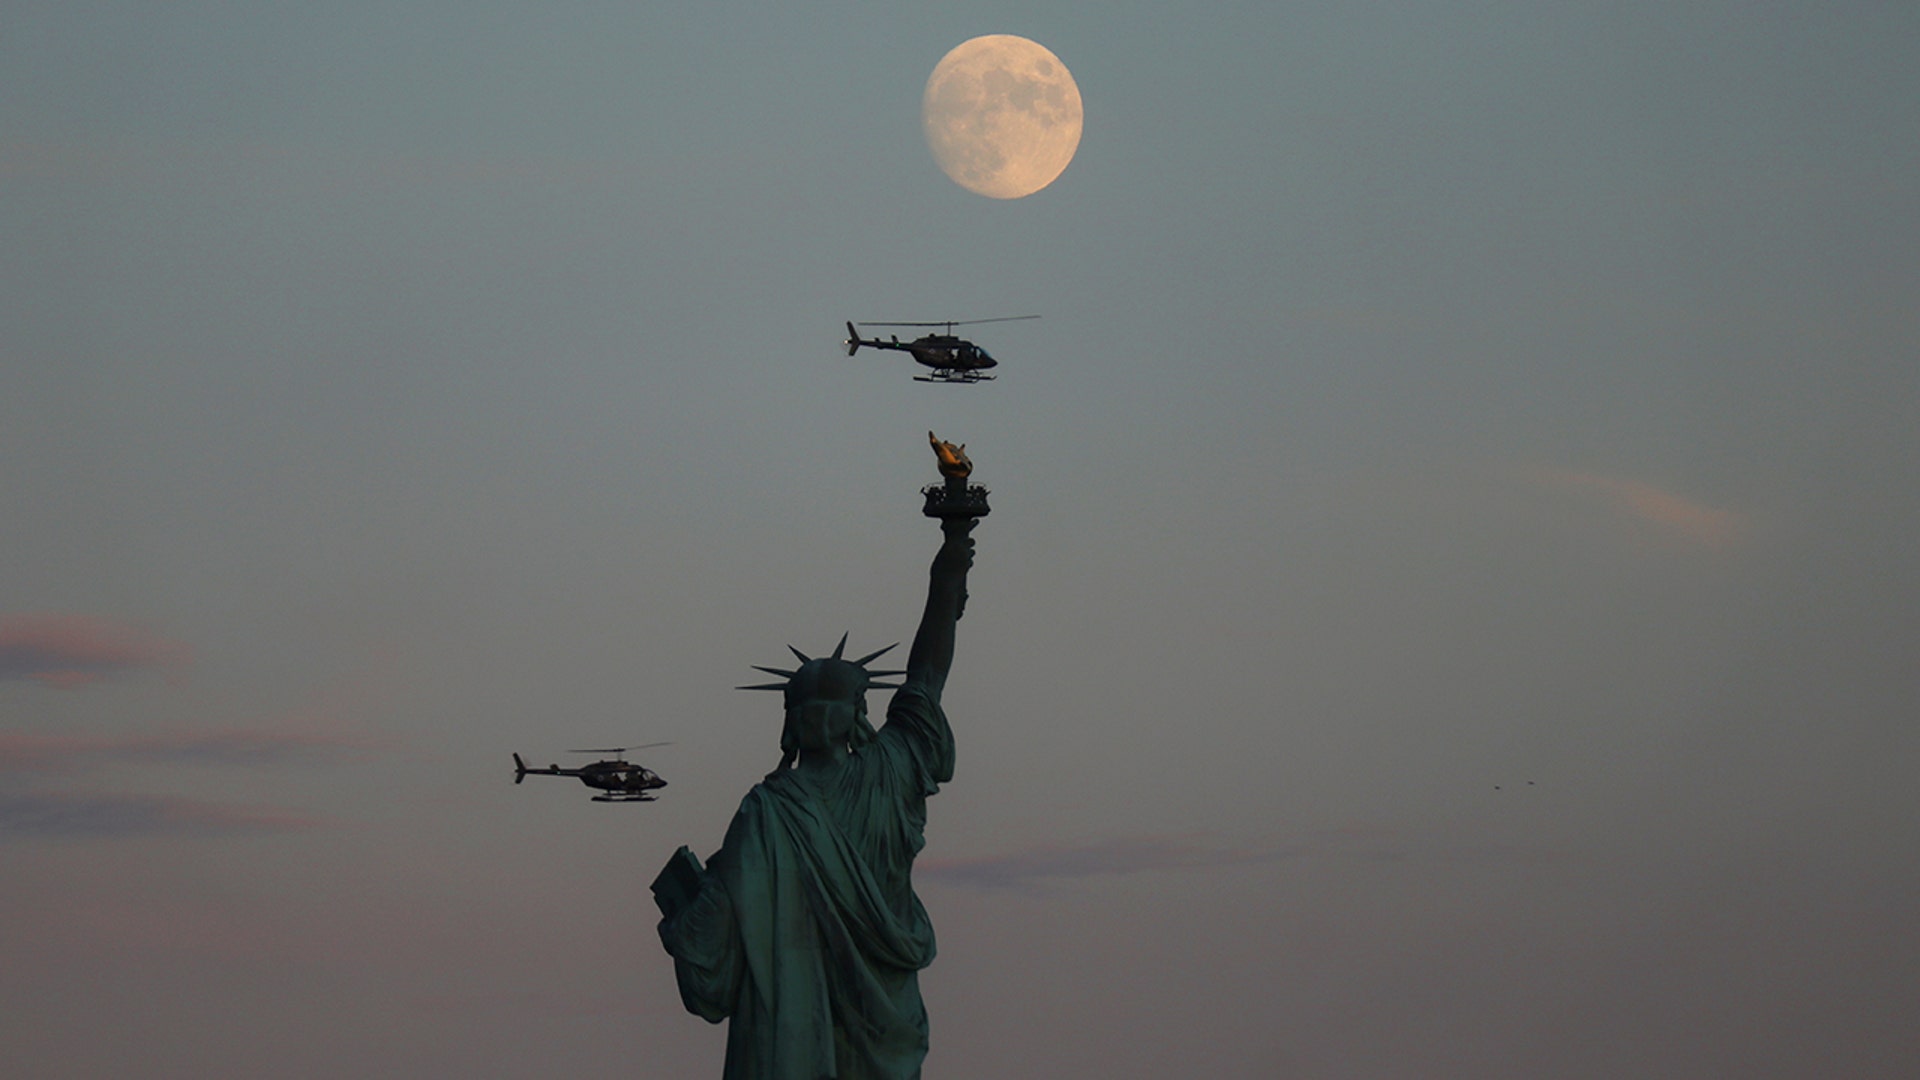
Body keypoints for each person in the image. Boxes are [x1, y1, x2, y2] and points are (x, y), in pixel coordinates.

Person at [655, 516, 977, 1079]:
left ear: (791, 726)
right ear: (859, 716)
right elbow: (928, 673)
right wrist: (948, 568)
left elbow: (710, 936)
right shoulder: (890, 774)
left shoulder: (766, 812)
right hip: (885, 1028)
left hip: (783, 1045)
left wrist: (681, 916)